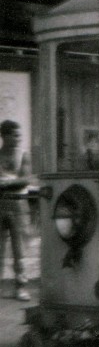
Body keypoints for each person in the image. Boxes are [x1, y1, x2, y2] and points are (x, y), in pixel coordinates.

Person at [0, 120, 34, 301]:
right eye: (15, 135)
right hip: (0, 204)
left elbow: (26, 179)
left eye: (19, 135)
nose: (19, 138)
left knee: (19, 249)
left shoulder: (23, 155)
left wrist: (5, 183)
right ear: (4, 136)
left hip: (19, 204)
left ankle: (21, 286)